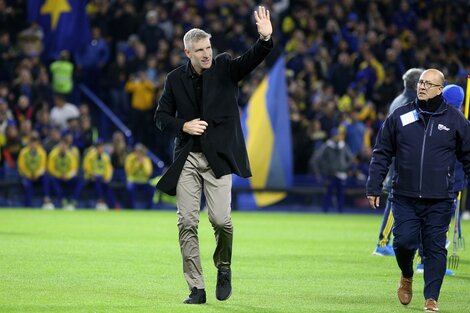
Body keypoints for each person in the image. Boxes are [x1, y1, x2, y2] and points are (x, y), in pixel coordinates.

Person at [154, 6, 273, 304]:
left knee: (221, 221)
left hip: (218, 159)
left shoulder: (224, 68)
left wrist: (265, 39)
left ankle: (224, 265)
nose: (207, 53)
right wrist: (184, 125)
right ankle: (196, 288)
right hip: (188, 160)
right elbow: (160, 117)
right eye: (200, 50)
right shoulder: (174, 79)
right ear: (187, 52)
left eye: (208, 47)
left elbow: (251, 59)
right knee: (187, 223)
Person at [366, 69, 470, 312]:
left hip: (440, 199)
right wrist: (374, 185)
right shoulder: (400, 115)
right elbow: (382, 151)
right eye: (421, 82)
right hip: (404, 195)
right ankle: (407, 274)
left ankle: (431, 298)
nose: (422, 87)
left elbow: (468, 156)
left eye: (428, 83)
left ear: (440, 89)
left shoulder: (456, 121)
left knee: (435, 249)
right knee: (403, 243)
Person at [372, 68, 423, 256]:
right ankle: (383, 242)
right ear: (417, 84)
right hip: (405, 159)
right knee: (397, 200)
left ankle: (388, 242)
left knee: (398, 199)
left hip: (397, 157)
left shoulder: (397, 100)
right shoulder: (411, 103)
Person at [17, 131, 53, 209]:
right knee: (27, 184)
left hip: (38, 175)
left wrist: (36, 174)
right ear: (29, 143)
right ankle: (28, 205)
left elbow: (43, 166)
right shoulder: (23, 152)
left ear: (37, 143)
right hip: (27, 175)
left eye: (35, 142)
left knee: (46, 179)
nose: (33, 144)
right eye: (31, 142)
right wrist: (29, 174)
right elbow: (21, 166)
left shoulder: (42, 152)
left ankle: (46, 199)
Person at [47, 137, 82, 210]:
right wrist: (60, 175)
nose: (63, 147)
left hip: (68, 177)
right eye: (61, 144)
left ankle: (73, 200)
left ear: (67, 146)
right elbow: (50, 168)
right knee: (50, 179)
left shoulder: (71, 155)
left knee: (80, 180)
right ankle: (62, 200)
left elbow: (74, 169)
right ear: (59, 145)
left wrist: (67, 175)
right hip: (57, 177)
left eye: (65, 145)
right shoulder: (53, 154)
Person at [124, 143, 154, 209]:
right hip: (133, 180)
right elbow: (129, 172)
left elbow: (149, 173)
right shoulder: (130, 158)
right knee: (130, 188)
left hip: (144, 182)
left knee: (152, 190)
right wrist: (137, 165)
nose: (139, 154)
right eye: (137, 151)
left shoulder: (146, 160)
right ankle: (131, 207)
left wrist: (143, 164)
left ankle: (148, 208)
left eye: (140, 152)